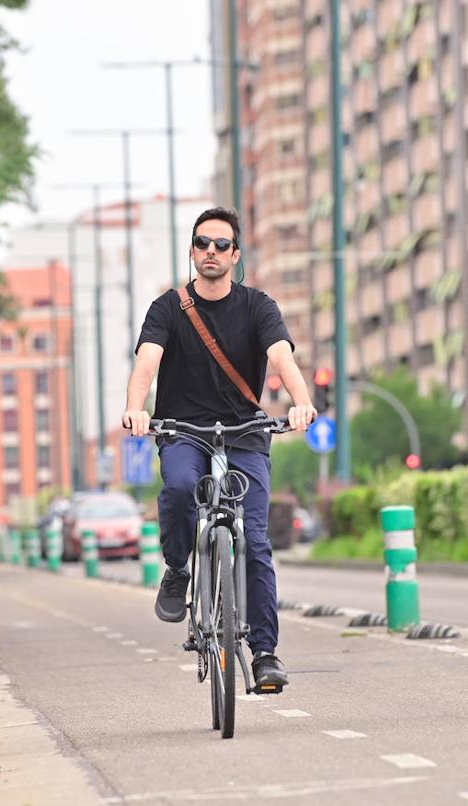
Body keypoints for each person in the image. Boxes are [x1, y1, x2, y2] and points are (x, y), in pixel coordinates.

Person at [122, 206, 317, 691]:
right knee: (182, 486)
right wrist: (135, 407)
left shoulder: (257, 306)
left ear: (235, 255)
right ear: (192, 252)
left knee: (254, 538)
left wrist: (302, 401)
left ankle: (266, 652)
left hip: (244, 432)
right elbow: (148, 360)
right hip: (183, 429)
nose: (211, 252)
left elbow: (280, 356)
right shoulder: (168, 307)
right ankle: (177, 569)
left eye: (221, 245)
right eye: (202, 244)